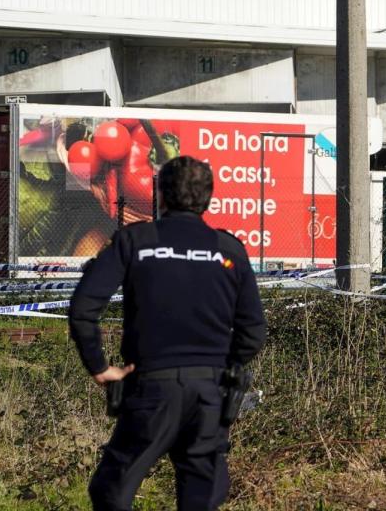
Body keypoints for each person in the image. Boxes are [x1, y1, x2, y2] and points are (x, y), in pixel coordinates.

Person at [69, 156, 266, 511]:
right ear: (208, 198)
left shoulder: (135, 241)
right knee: (201, 498)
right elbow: (253, 330)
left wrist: (99, 366)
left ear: (160, 193)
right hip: (210, 394)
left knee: (112, 490)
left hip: (152, 388)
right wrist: (223, 366)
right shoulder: (229, 250)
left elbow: (84, 308)